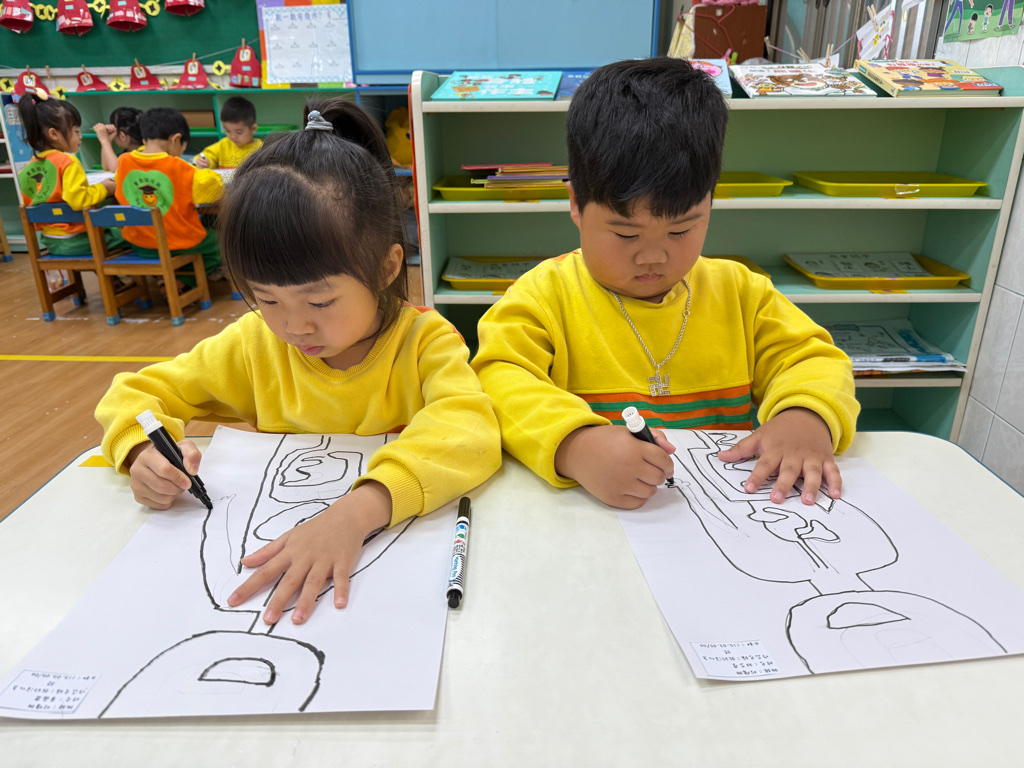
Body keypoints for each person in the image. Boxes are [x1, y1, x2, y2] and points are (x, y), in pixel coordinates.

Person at [95, 98, 501, 625]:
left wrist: (359, 511)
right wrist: (139, 451)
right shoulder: (254, 345)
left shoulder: (423, 342)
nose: (294, 327)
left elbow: (469, 429)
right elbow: (137, 394)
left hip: (394, 577)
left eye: (321, 302)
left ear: (386, 268)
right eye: (266, 299)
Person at [472, 58, 859, 511]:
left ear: (710, 201)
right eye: (625, 234)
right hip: (590, 522)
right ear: (576, 204)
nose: (653, 256)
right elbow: (496, 379)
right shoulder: (544, 297)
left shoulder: (740, 293)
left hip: (724, 514)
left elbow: (813, 359)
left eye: (681, 230)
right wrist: (574, 444)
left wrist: (804, 416)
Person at [114, 107, 224, 288]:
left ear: (145, 139)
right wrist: (203, 170)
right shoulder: (180, 167)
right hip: (178, 242)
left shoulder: (123, 162)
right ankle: (181, 283)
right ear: (176, 139)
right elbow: (213, 189)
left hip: (141, 244)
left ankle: (163, 279)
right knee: (217, 243)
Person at [15, 93, 122, 256]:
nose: (80, 137)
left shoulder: (27, 169)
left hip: (50, 242)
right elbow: (79, 200)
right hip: (79, 240)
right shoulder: (67, 161)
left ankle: (106, 274)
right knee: (130, 235)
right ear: (54, 134)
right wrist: (105, 188)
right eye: (76, 131)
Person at [195, 96, 263, 169]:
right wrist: (205, 162)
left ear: (253, 129)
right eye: (227, 131)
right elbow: (207, 155)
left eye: (238, 132)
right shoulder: (224, 144)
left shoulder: (261, 149)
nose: (233, 136)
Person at [93, 106, 143, 173]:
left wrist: (104, 141)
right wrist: (108, 141)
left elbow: (116, 169)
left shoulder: (144, 153)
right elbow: (107, 167)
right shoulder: (127, 152)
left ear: (122, 136)